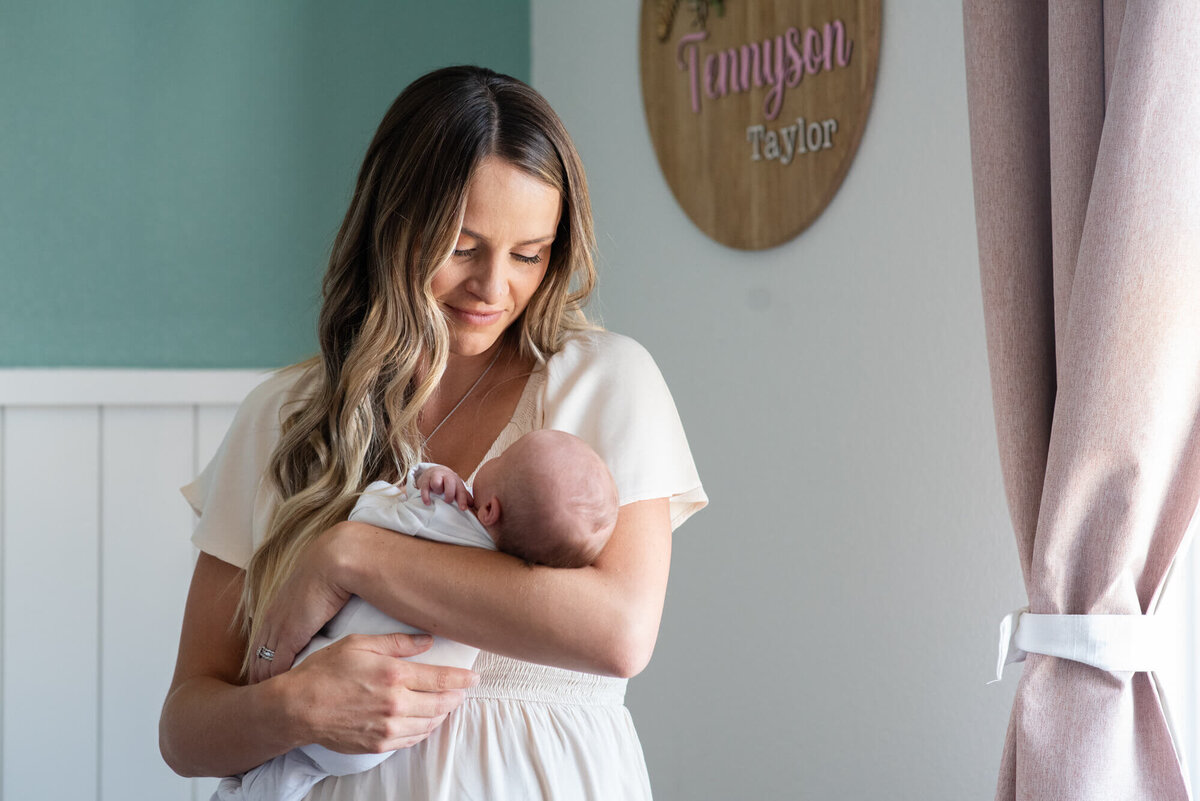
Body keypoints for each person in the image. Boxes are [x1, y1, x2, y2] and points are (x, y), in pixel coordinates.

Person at [160, 65, 706, 800]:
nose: (494, 287)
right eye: (461, 245)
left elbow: (619, 633)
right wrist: (290, 706)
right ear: (393, 228)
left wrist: (347, 555)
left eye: (528, 254)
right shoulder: (286, 416)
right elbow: (186, 731)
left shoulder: (607, 381)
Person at [218, 429, 620, 801]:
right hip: (382, 740)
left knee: (292, 754)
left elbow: (373, 512)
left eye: (503, 458)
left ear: (490, 510)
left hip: (333, 691)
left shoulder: (445, 517)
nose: (493, 459)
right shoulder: (506, 590)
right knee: (300, 767)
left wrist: (423, 479)